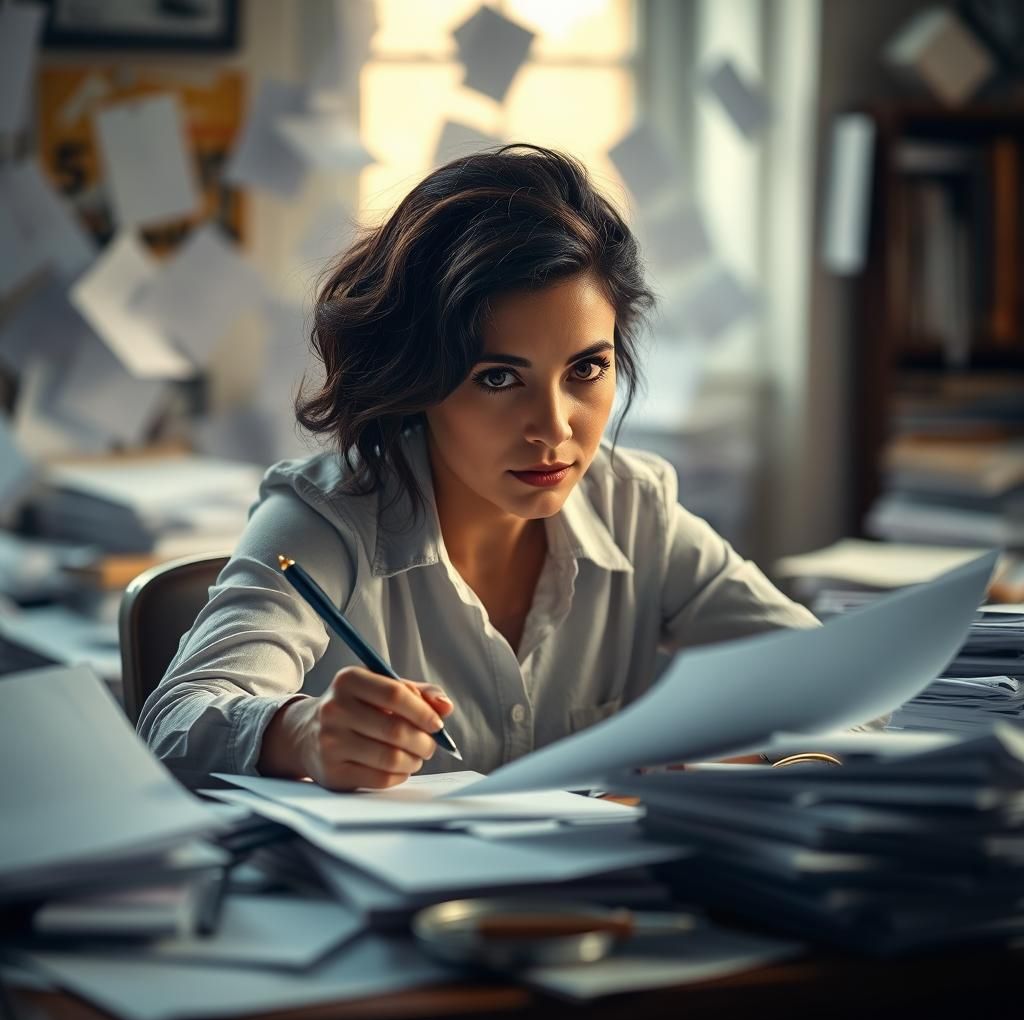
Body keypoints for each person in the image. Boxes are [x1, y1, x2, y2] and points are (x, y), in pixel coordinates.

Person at [138, 144, 818, 791]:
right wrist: (304, 732)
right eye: (498, 378)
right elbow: (172, 724)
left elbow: (831, 682)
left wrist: (743, 764)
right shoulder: (323, 522)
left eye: (587, 368)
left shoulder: (636, 508)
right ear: (420, 379)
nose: (554, 427)